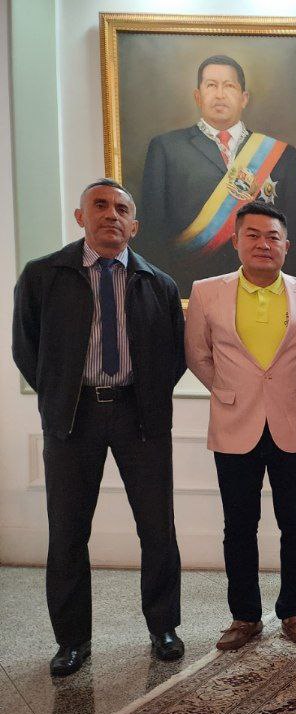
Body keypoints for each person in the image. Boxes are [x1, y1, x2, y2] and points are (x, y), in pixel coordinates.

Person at [12, 179, 186, 676]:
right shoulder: (44, 275)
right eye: (101, 206)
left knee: (157, 527)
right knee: (68, 530)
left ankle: (163, 627)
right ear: (80, 216)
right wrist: (61, 391)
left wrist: (146, 394)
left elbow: (173, 354)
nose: (112, 215)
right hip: (73, 417)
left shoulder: (158, 283)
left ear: (134, 225)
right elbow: (27, 348)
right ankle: (72, 641)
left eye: (121, 209)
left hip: (140, 415)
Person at [185, 202, 296, 651]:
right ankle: (244, 616)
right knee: (239, 526)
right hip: (234, 424)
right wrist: (231, 392)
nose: (263, 244)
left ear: (286, 245)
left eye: (272, 237)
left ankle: (294, 611)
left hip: (292, 424)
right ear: (236, 241)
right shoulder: (207, 292)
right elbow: (197, 355)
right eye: (253, 235)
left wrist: (290, 394)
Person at [135, 55, 296, 295]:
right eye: (211, 85)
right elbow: (153, 234)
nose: (219, 94)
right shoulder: (166, 148)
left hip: (265, 290)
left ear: (244, 98)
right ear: (198, 96)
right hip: (189, 287)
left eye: (229, 86)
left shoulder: (282, 154)